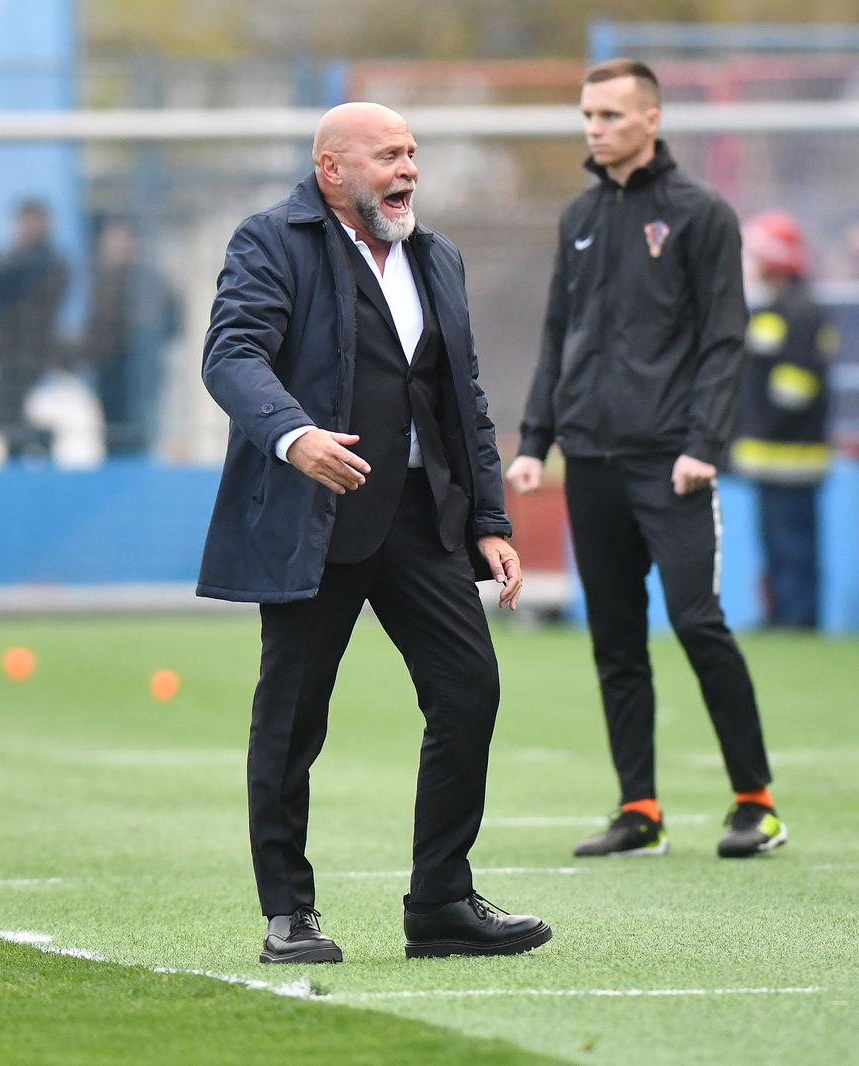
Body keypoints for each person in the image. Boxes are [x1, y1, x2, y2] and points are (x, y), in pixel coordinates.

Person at [198, 102, 550, 964]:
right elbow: (231, 353)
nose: (409, 169)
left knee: (470, 691)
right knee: (292, 720)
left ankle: (440, 902)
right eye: (390, 155)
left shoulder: (438, 255)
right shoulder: (270, 241)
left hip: (422, 519)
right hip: (313, 519)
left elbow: (460, 396)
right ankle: (288, 913)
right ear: (332, 169)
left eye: (413, 153)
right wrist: (295, 435)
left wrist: (492, 521)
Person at [509, 59, 786, 860]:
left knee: (699, 623)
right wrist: (535, 443)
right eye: (588, 114)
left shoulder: (702, 216)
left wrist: (705, 445)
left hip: (671, 465)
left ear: (652, 120)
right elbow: (559, 335)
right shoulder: (579, 216)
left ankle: (756, 803)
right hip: (589, 460)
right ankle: (640, 810)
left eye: (610, 115)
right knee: (616, 640)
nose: (594, 127)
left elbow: (723, 340)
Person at [731, 211, 834, 629]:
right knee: (774, 543)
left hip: (794, 454)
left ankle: (799, 616)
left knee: (795, 543)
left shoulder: (802, 311)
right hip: (767, 455)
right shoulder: (771, 309)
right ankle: (779, 613)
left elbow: (797, 384)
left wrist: (761, 424)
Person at [81, 218, 181, 455]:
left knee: (142, 432)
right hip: (108, 368)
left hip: (142, 369)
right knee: (112, 431)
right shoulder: (97, 279)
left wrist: (147, 327)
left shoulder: (151, 279)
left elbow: (173, 322)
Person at [0, 201, 68, 457]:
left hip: (26, 355)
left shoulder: (44, 262)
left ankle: (42, 441)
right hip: (11, 355)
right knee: (7, 415)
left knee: (0, 416)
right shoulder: (22, 259)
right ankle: (25, 454)